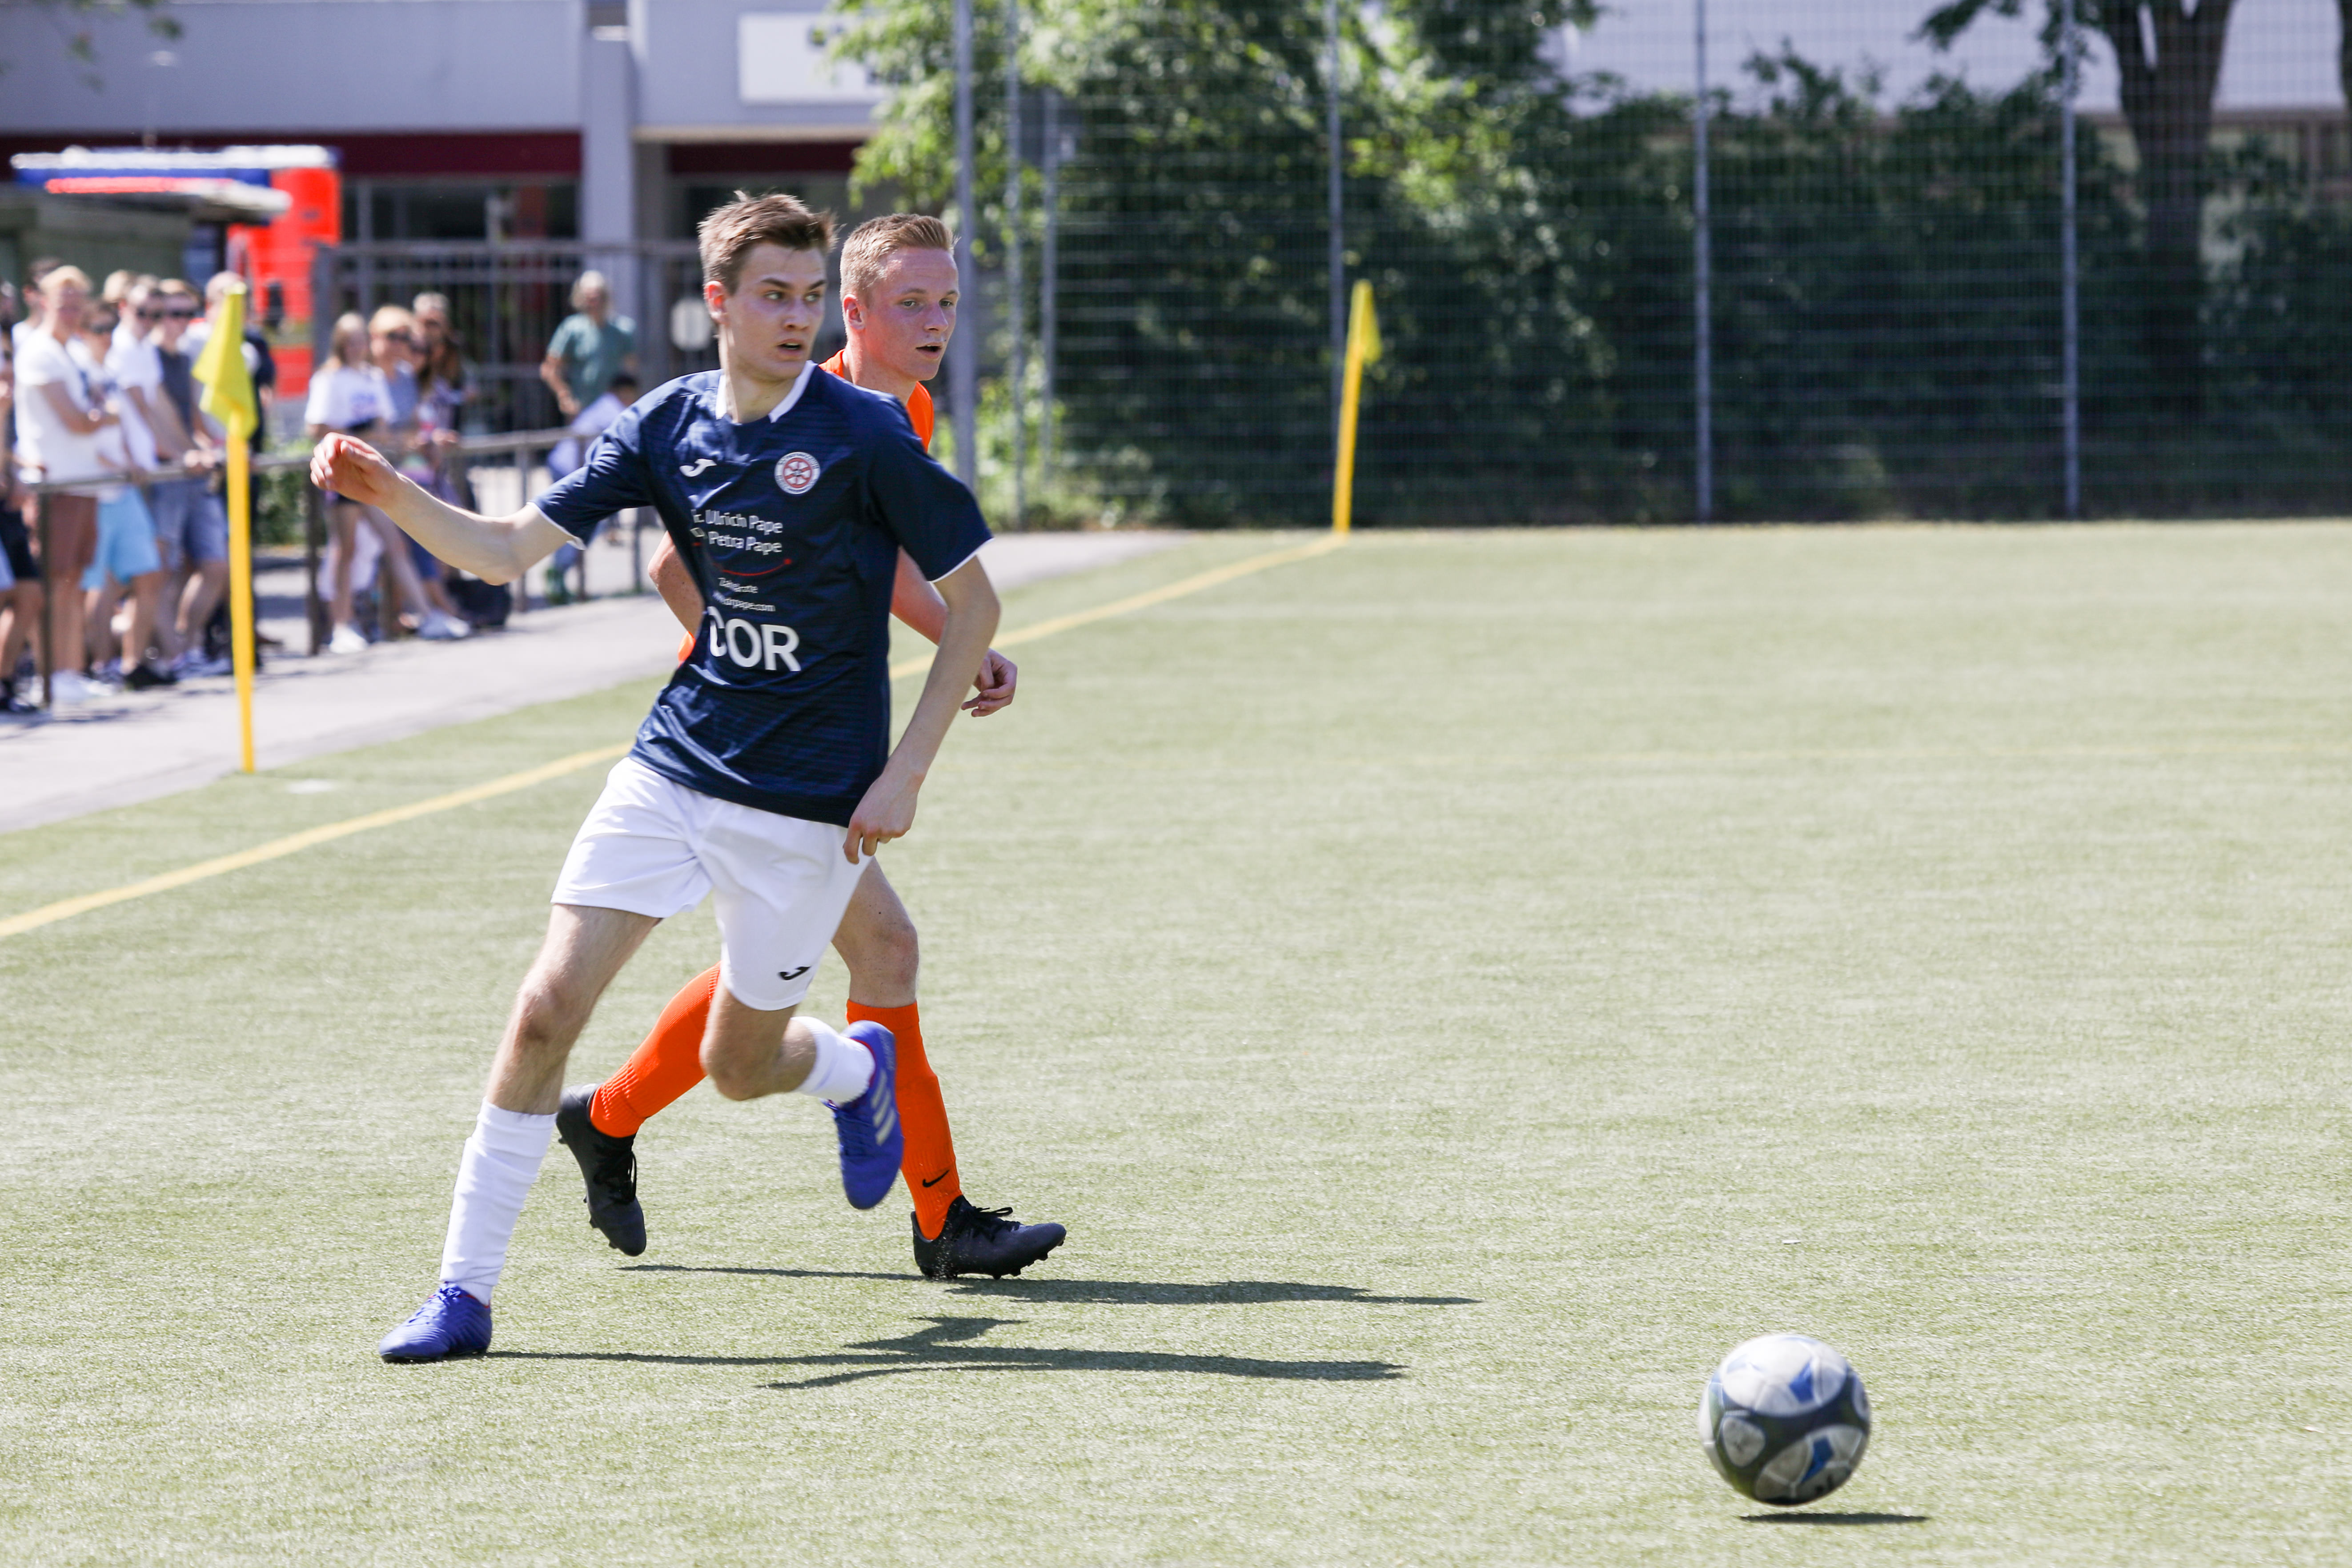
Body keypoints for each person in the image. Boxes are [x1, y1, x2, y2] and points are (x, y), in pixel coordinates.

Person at [313, 191, 1006, 1363]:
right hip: (674, 764)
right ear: (718, 304)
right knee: (545, 1006)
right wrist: (388, 491)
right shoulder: (664, 422)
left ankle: (850, 1069)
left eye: (806, 295)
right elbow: (505, 549)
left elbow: (974, 605)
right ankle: (462, 1292)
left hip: (806, 802)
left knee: (740, 1066)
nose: (793, 318)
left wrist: (905, 773)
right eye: (772, 295)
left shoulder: (868, 431)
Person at [562, 212, 1064, 1280]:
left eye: (947, 302)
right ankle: (941, 1218)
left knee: (840, 955)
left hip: (801, 750)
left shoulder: (900, 407)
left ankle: (608, 1117)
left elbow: (887, 565)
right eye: (911, 302)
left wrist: (960, 641)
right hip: (757, 756)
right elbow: (671, 568)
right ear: (854, 312)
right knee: (876, 953)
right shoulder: (806, 408)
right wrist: (756, 671)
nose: (934, 322)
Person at [304, 312, 468, 650]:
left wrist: (383, 435)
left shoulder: (372, 378)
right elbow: (317, 427)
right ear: (340, 344)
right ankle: (341, 626)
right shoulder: (329, 379)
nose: (356, 347)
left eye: (360, 341)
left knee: (395, 544)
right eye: (350, 342)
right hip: (341, 471)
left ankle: (427, 615)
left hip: (369, 470)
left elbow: (384, 427)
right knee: (346, 550)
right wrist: (358, 432)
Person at [14, 266, 116, 704]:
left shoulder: (73, 350)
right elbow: (77, 420)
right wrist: (103, 418)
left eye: (77, 304)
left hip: (82, 480)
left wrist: (98, 417)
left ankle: (71, 671)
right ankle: (51, 675)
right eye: (63, 304)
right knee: (53, 582)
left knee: (74, 580)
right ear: (42, 302)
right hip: (53, 483)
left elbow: (91, 411)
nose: (72, 312)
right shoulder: (38, 351)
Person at [76, 304, 173, 689]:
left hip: (123, 488)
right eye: (97, 328)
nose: (106, 335)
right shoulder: (78, 371)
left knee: (149, 573)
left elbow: (123, 427)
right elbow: (80, 433)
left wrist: (131, 461)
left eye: (109, 328)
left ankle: (133, 662)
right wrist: (115, 464)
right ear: (82, 332)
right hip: (94, 491)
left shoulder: (109, 371)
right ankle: (101, 665)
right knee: (97, 584)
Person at [147, 280, 232, 677]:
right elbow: (152, 419)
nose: (180, 322)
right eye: (172, 313)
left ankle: (189, 644)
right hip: (166, 476)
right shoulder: (147, 357)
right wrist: (186, 452)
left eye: (187, 314)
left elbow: (194, 420)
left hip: (194, 473)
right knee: (164, 570)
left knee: (215, 565)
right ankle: (173, 653)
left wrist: (208, 448)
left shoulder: (183, 358)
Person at [0, 337, 46, 713]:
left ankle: (4, 681)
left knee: (30, 593)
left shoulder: (9, 401)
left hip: (7, 513)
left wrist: (18, 473)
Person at [539, 270, 637, 421]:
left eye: (598, 298)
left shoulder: (623, 330)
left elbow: (632, 370)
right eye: (590, 299)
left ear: (606, 298)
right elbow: (550, 369)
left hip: (613, 409)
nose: (594, 304)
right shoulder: (571, 329)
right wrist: (564, 396)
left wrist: (627, 399)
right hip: (581, 409)